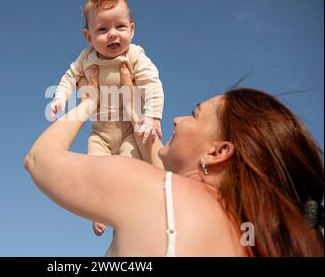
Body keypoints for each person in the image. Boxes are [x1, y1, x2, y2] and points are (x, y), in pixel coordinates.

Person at [25, 64, 324, 256]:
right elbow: (152, 148)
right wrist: (129, 94)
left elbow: (40, 158)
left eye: (195, 114)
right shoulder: (253, 242)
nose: (178, 120)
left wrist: (90, 100)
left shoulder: (153, 191)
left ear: (217, 153)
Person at [49, 0, 165, 236]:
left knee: (126, 167)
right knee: (97, 171)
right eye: (102, 29)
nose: (113, 34)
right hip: (100, 133)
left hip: (128, 131)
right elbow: (69, 79)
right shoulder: (86, 58)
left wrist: (153, 116)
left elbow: (152, 83)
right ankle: (100, 212)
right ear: (88, 37)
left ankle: (123, 210)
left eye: (120, 27)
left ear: (132, 30)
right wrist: (60, 98)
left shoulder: (134, 55)